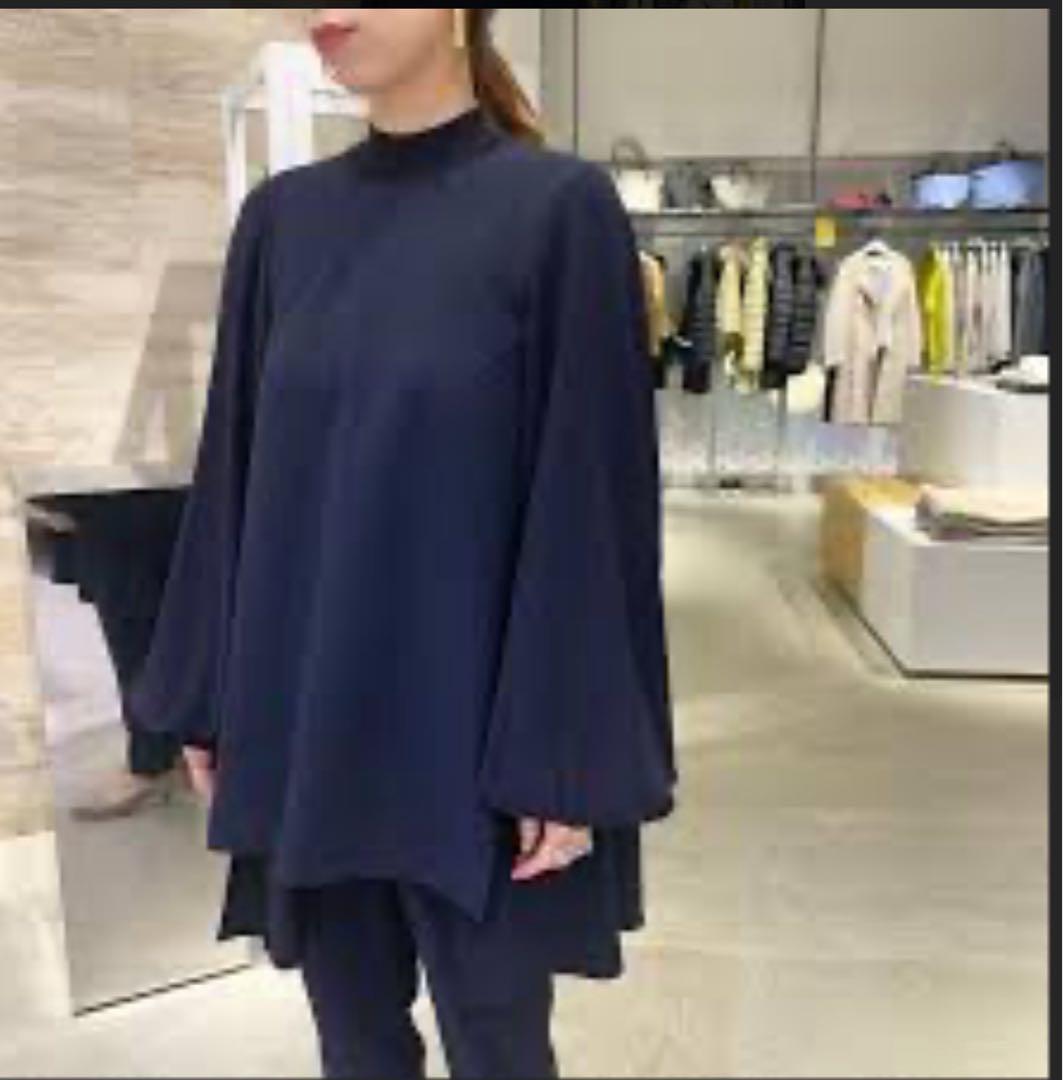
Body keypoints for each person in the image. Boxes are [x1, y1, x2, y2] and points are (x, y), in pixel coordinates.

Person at [127, 9, 677, 1078]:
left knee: (497, 1044)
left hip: (477, 744)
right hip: (313, 718)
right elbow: (235, 470)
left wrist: (562, 754)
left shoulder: (557, 211)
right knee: (354, 1043)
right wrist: (211, 691)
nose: (326, 15)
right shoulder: (281, 222)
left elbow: (591, 504)